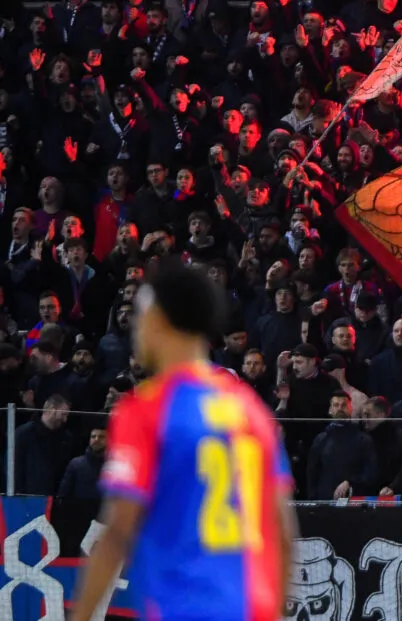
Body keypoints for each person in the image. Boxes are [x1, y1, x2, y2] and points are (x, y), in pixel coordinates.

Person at [70, 264, 297, 621]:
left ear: (159, 320)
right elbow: (282, 532)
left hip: (183, 607)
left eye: (141, 316)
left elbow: (117, 531)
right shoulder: (249, 411)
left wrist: (80, 615)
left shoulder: (146, 409)